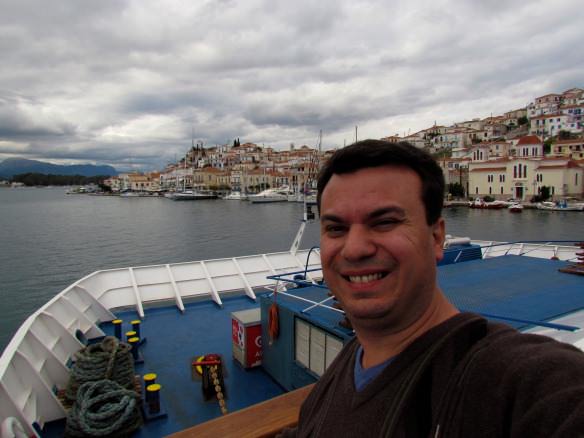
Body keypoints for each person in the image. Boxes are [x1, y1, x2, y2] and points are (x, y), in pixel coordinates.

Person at [280, 140, 584, 437]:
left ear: (437, 238)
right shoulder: (345, 367)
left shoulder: (513, 380)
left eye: (384, 222)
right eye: (336, 228)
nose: (354, 249)